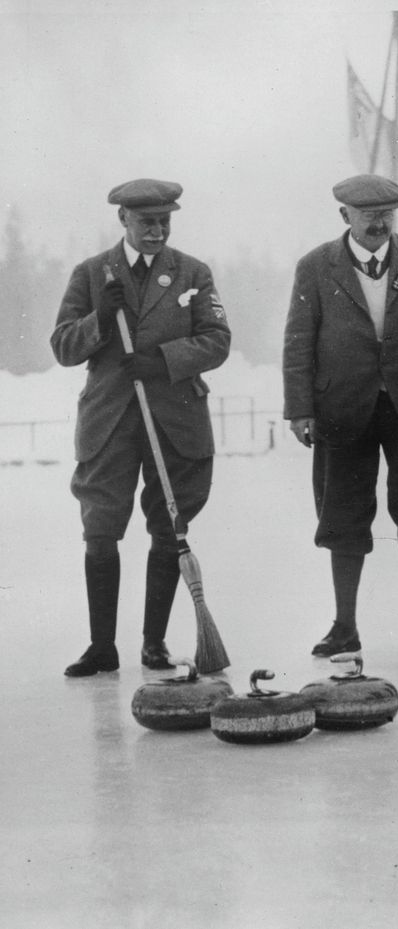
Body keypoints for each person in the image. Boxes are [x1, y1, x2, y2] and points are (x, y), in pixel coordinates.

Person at [51, 179, 231, 676]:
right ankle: (101, 646)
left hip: (175, 421)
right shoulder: (91, 274)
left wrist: (161, 361)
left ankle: (153, 643)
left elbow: (217, 340)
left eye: (164, 222)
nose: (157, 231)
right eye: (146, 222)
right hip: (110, 421)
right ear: (123, 221)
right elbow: (64, 347)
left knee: (168, 527)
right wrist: (100, 319)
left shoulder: (192, 272)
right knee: (101, 527)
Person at [282, 174, 398, 655]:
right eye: (368, 215)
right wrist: (299, 408)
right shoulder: (316, 266)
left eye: (387, 213)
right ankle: (345, 626)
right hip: (341, 407)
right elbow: (299, 340)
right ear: (345, 216)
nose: (379, 223)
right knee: (342, 516)